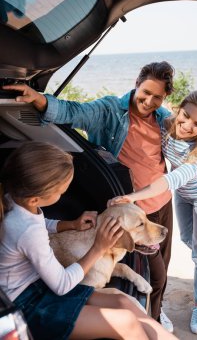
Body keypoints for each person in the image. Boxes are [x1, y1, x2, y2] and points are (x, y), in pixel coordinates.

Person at [2, 61, 175, 332]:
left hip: (159, 203)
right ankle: (150, 319)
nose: (150, 101)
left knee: (148, 281)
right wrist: (40, 101)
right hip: (128, 212)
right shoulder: (110, 110)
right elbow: (75, 111)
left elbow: (40, 223)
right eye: (146, 93)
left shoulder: (164, 118)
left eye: (158, 97)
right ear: (136, 83)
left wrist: (68, 225)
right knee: (148, 285)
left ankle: (156, 313)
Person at [0, 141, 178, 340]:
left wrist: (70, 225)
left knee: (123, 301)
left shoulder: (13, 200)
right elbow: (62, 284)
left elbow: (40, 221)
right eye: (61, 192)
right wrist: (98, 248)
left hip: (38, 287)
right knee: (126, 323)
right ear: (35, 199)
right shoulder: (26, 230)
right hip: (28, 305)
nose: (63, 194)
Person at [108, 90, 197, 335]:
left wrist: (133, 196)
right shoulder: (165, 125)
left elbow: (173, 178)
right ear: (179, 109)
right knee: (188, 239)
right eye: (185, 116)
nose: (187, 126)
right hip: (184, 196)